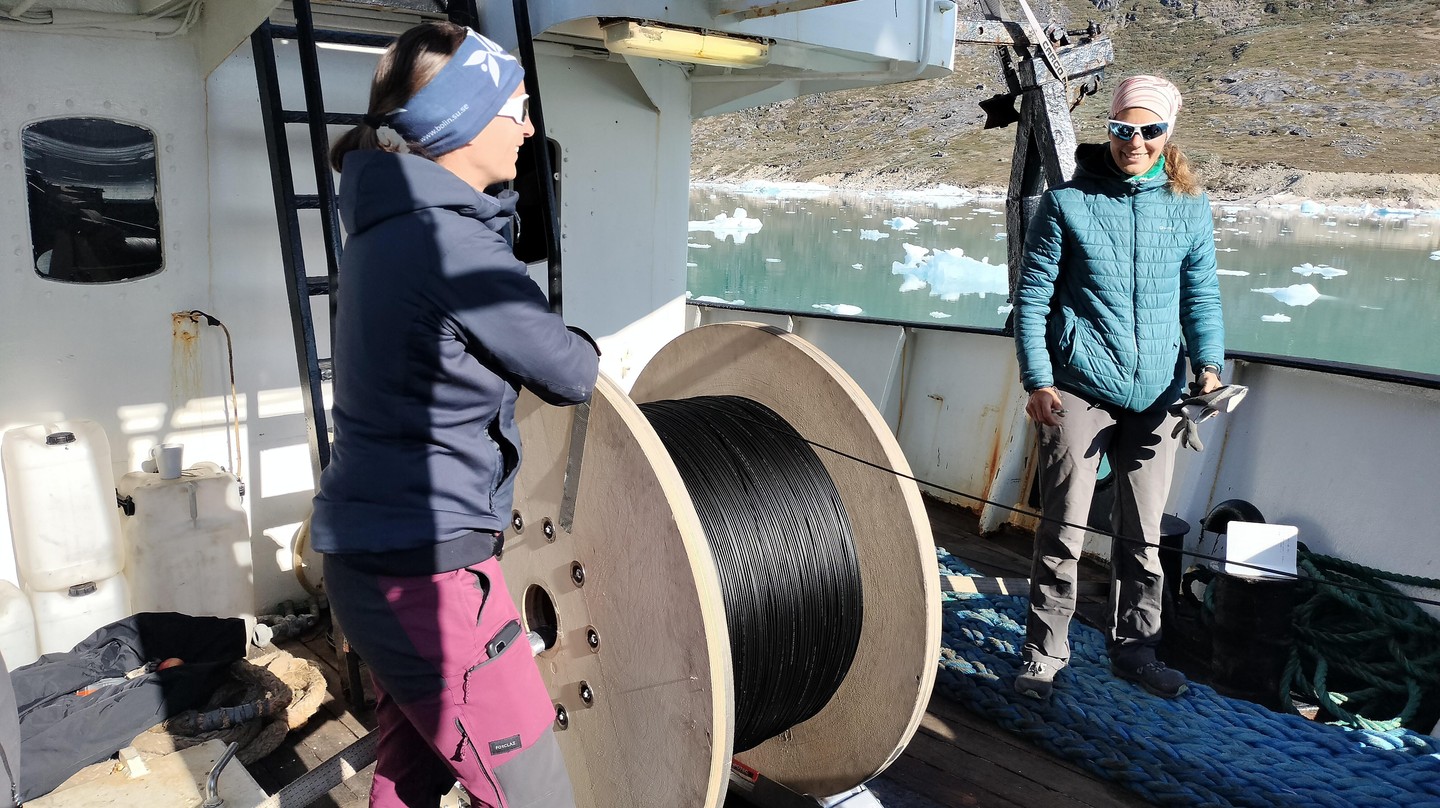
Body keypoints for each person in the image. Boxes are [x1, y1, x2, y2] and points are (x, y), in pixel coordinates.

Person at [309, 22, 599, 808]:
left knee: (410, 776)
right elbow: (571, 372)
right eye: (519, 107)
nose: (531, 128)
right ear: (464, 119)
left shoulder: (385, 225)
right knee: (537, 794)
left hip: (378, 562)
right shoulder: (450, 244)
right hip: (426, 581)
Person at [1011, 75, 1224, 701]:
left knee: (1144, 532)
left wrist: (1208, 367)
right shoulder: (1067, 203)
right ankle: (1044, 652)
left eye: (1150, 129)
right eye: (1123, 129)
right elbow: (1032, 299)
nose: (1135, 140)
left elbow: (1201, 296)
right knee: (1065, 526)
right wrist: (1038, 379)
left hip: (1157, 391)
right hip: (1078, 386)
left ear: (1168, 133)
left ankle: (1136, 647)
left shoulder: (1189, 207)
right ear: (1108, 130)